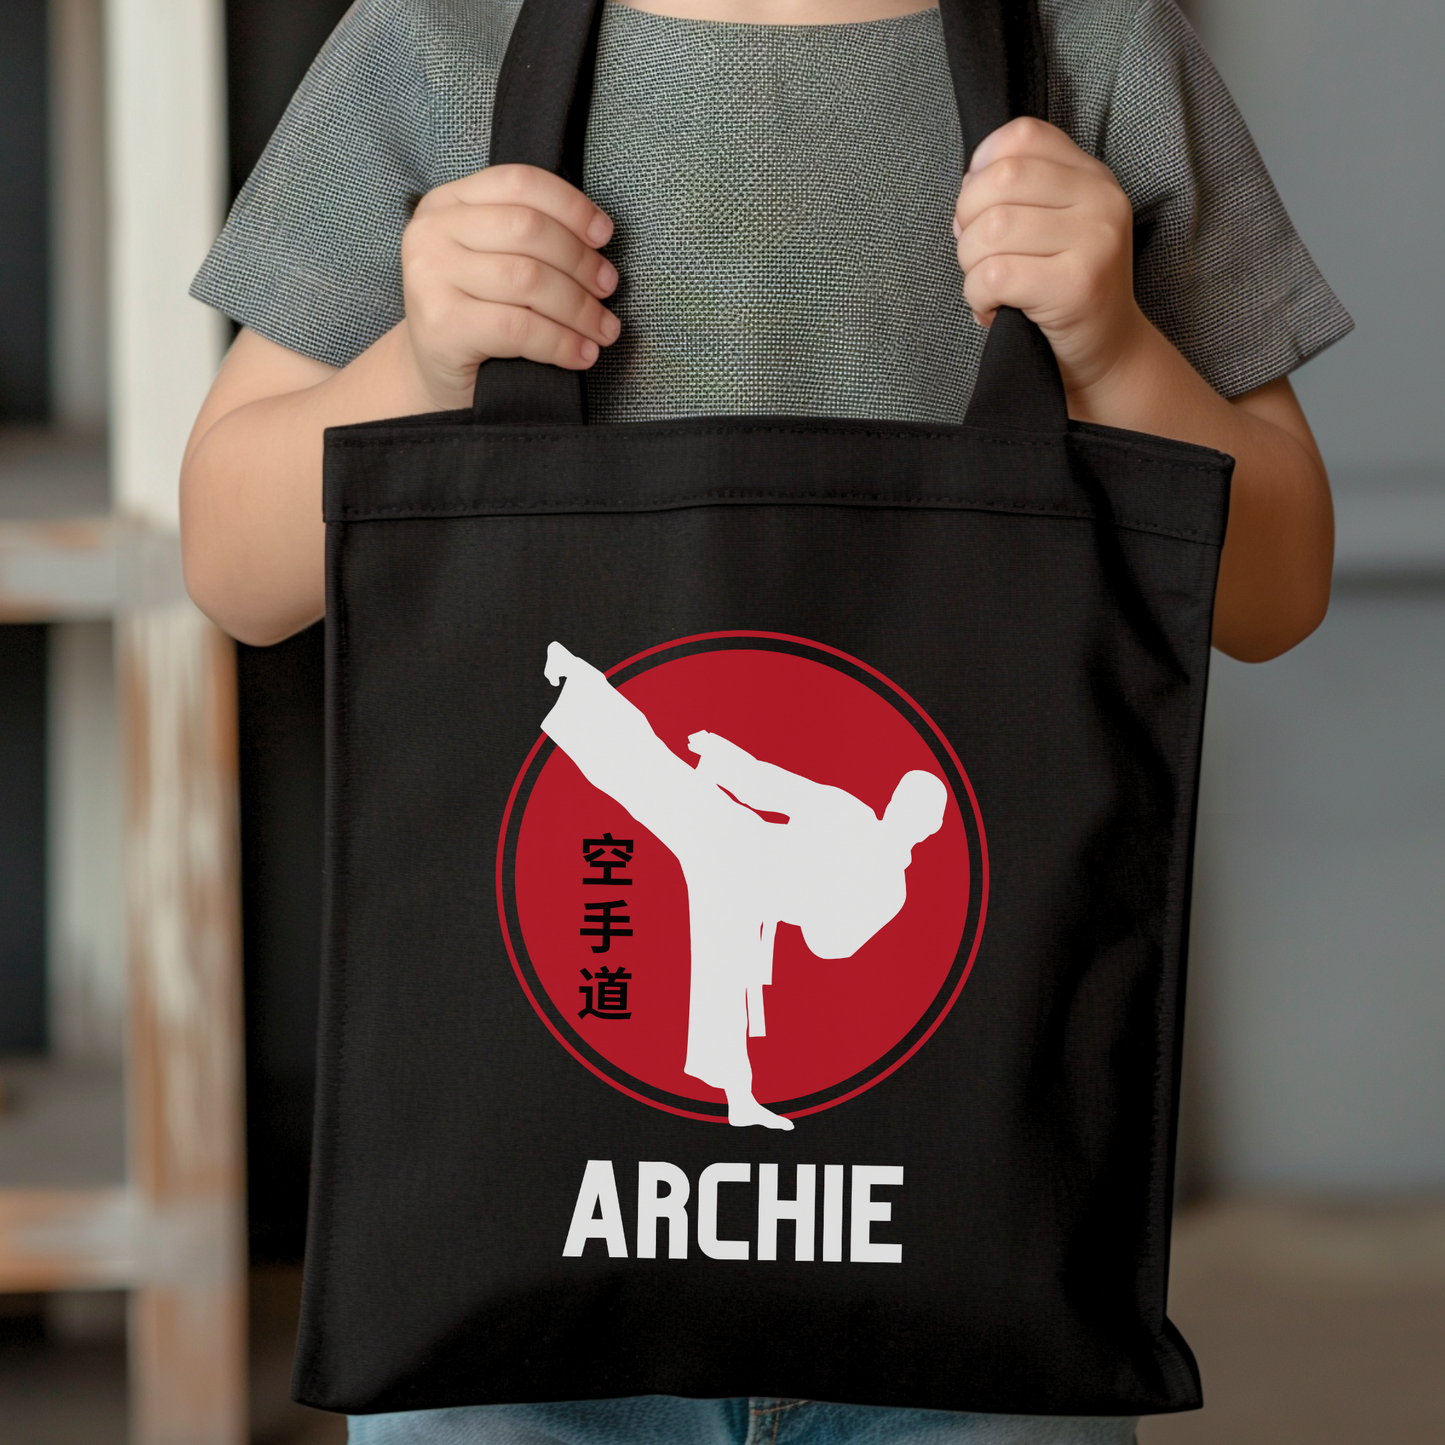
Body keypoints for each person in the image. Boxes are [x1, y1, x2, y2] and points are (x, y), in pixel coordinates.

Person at [179, 0, 1352, 1439]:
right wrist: (416, 368)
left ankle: (609, 762)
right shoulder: (435, 36)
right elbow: (231, 563)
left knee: (683, 836)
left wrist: (1114, 352)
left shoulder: (1092, 49)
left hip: (969, 1273)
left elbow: (1276, 582)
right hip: (514, 1297)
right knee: (679, 830)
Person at [541, 641, 948, 1129]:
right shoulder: (854, 822)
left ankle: (739, 1097)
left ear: (926, 829)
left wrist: (824, 899)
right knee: (656, 778)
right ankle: (579, 681)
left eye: (914, 811)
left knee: (723, 975)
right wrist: (725, 760)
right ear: (897, 803)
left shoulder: (888, 887)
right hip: (739, 842)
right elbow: (781, 788)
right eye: (905, 802)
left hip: (751, 883)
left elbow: (830, 946)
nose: (903, 813)